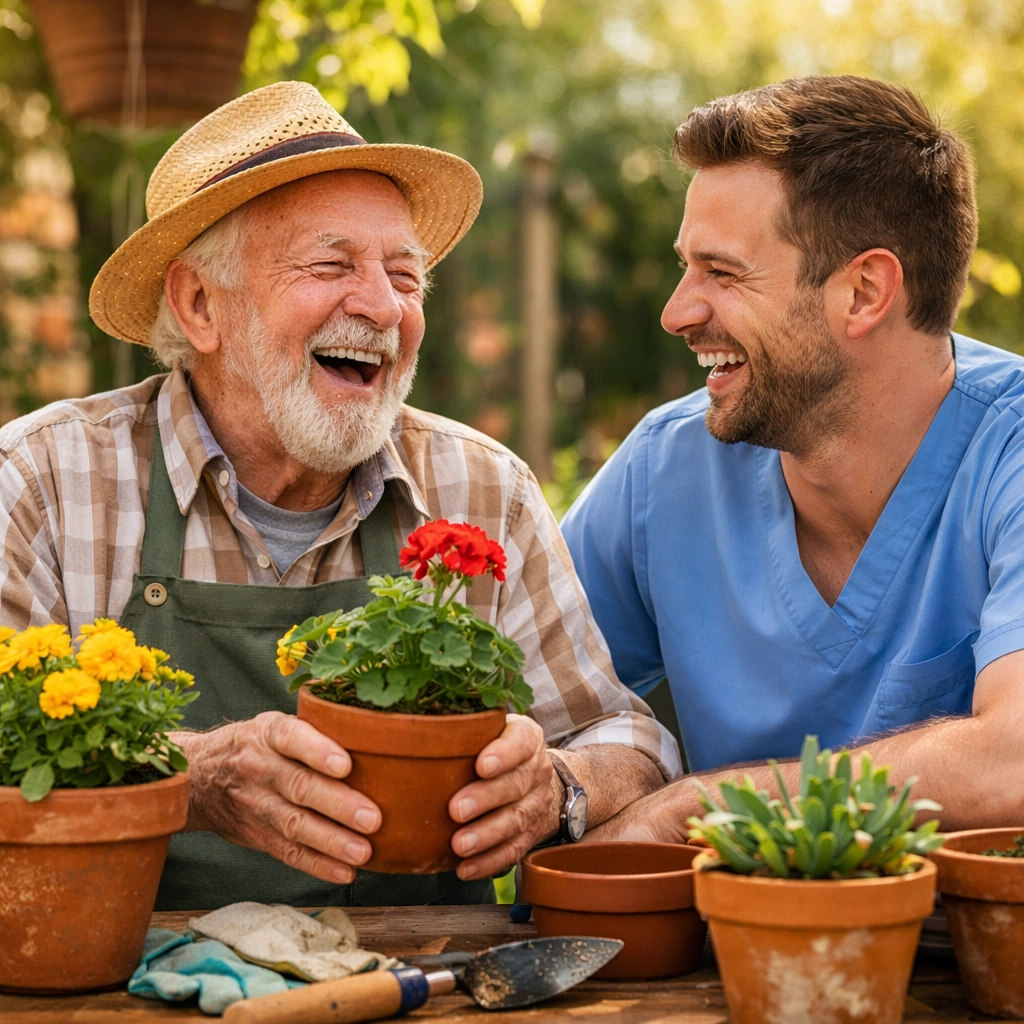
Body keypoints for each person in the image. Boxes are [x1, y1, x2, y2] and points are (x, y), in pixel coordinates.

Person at [0, 82, 677, 908]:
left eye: (405, 275)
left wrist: (561, 785)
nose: (384, 307)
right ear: (199, 303)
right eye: (331, 265)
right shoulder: (43, 478)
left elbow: (627, 736)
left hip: (432, 982)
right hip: (127, 979)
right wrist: (193, 777)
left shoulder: (482, 485)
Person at [562, 75, 1024, 841]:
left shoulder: (1008, 450)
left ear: (864, 292)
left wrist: (695, 809)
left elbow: (1013, 758)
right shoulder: (664, 471)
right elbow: (503, 693)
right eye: (687, 267)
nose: (679, 312)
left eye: (723, 272)